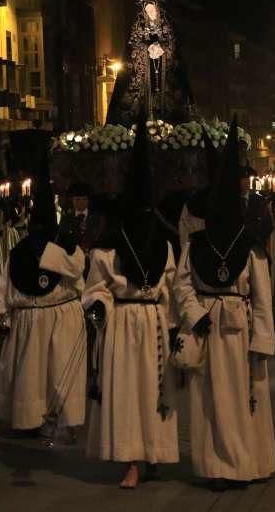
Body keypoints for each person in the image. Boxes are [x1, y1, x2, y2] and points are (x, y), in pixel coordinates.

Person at [173, 117, 275, 489]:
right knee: (209, 402)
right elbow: (182, 285)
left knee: (242, 399)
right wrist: (194, 314)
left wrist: (262, 340)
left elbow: (261, 298)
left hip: (240, 336)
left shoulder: (249, 247)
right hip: (208, 332)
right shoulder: (196, 246)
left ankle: (245, 464)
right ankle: (215, 467)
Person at [83, 116, 179, 489]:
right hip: (122, 325)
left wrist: (173, 324)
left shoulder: (163, 244)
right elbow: (97, 287)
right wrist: (98, 305)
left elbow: (169, 287)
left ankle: (154, 453)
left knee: (154, 391)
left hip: (153, 325)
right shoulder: (110, 246)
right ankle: (132, 461)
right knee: (127, 392)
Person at [0, 145, 87, 438]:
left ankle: (60, 420)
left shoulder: (64, 248)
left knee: (57, 375)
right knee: (31, 377)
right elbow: (5, 285)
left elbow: (77, 271)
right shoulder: (21, 252)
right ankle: (30, 419)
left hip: (59, 319)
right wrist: (3, 316)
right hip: (32, 320)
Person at [106, 0, 193, 126]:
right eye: (147, 10)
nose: (150, 12)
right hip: (145, 75)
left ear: (157, 9)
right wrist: (147, 48)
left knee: (175, 97)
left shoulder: (168, 26)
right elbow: (132, 48)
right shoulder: (138, 28)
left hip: (165, 75)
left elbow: (175, 46)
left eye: (152, 9)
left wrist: (163, 48)